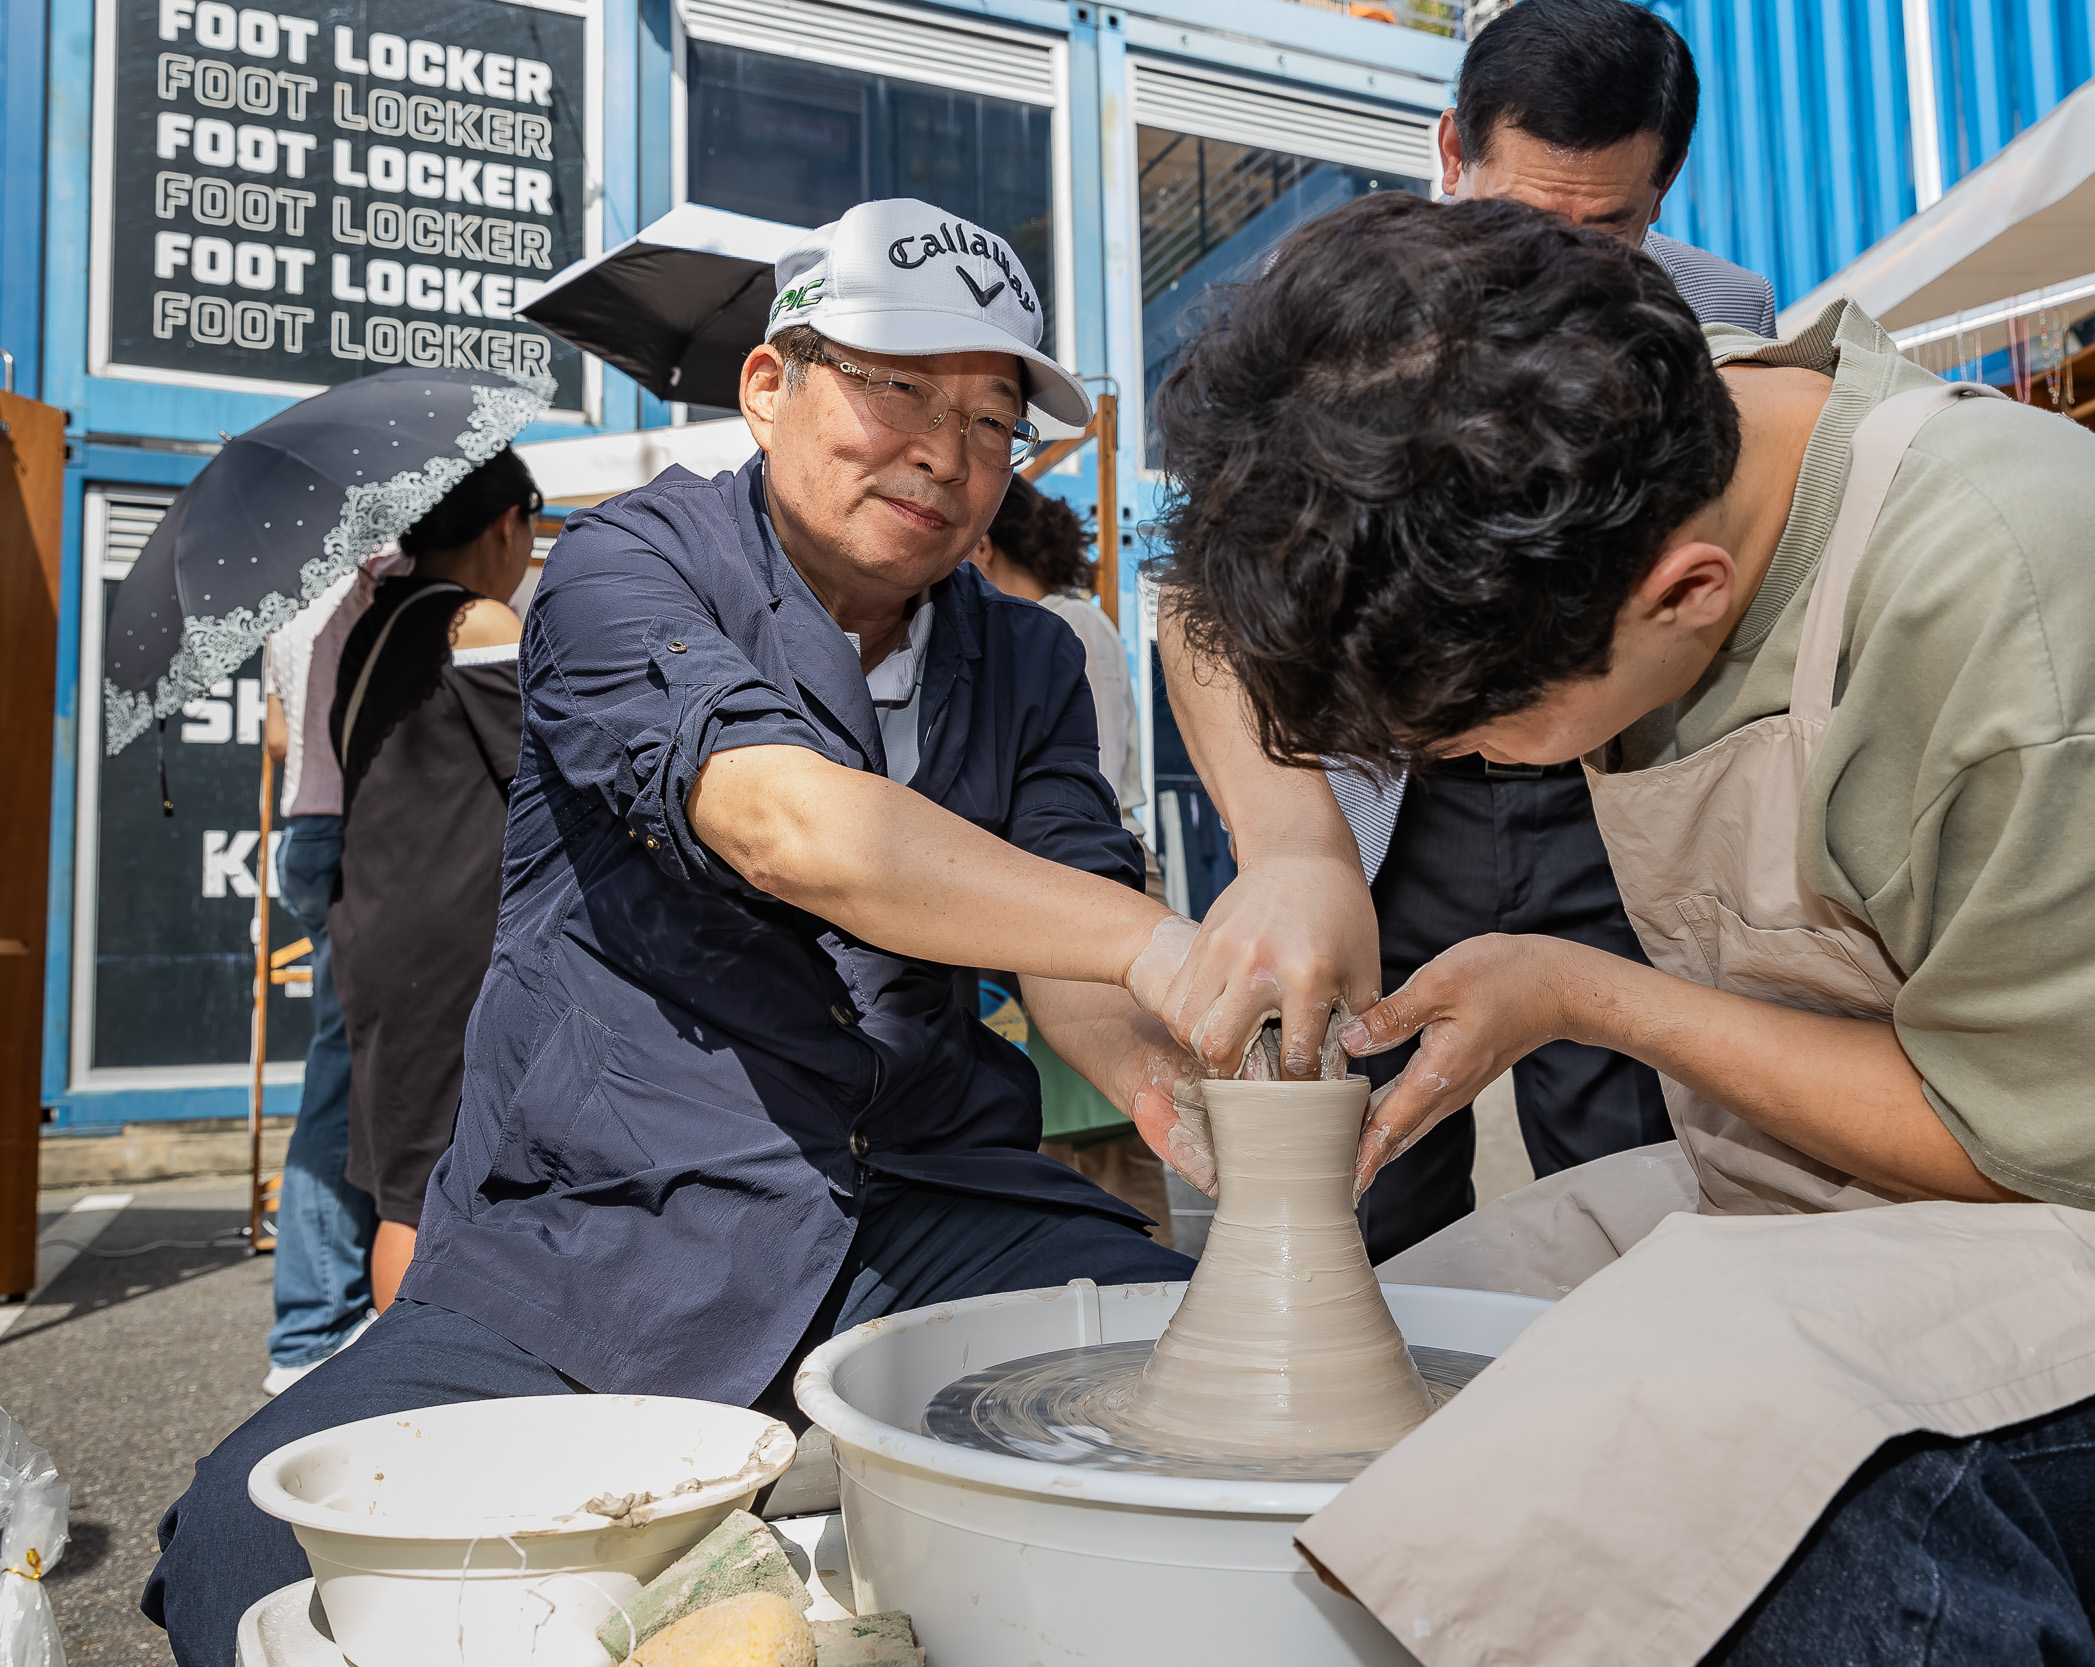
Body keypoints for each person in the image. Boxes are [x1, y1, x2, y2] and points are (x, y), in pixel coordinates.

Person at [1145, 193, 2095, 1659]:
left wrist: (1585, 993)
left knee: (1719, 1475)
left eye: (1481, 738)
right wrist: (1297, 847)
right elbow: (1190, 601)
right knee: (1408, 1338)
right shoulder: (1622, 408)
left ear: (1686, 597)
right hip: (1858, 1200)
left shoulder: (2035, 606)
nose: (1473, 772)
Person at [144, 198, 1262, 1664]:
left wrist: (1177, 1090)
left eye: (993, 421)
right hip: (610, 1222)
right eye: (896, 387)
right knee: (256, 1542)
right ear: (769, 384)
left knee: (1268, 1410)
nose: (945, 450)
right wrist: (1163, 941)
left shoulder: (1035, 657)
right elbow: (787, 824)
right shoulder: (624, 573)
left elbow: (1070, 962)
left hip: (921, 1200)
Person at [1187, 0, 1781, 1262]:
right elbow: (1208, 609)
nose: (1557, 271)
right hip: (1402, 806)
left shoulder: (1732, 329)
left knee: (1632, 1167)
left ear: (1660, 190)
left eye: (1605, 230)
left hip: (1607, 796)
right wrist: (1295, 848)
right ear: (1451, 151)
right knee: (1359, 1169)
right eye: (1518, 221)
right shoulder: (1335, 312)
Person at [326, 449, 537, 1315]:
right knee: (425, 1190)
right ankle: (404, 1397)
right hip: (448, 941)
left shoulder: (379, 621)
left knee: (405, 1180)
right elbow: (562, 765)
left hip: (380, 925)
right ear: (505, 525)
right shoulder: (478, 623)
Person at [969, 476, 1169, 1240]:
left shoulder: (1061, 625)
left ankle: (1151, 1288)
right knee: (1055, 1128)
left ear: (983, 542)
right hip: (1045, 882)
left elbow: (1078, 791)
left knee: (1119, 1128)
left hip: (1088, 875)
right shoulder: (1050, 621)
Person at [255, 553, 405, 1394]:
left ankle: (319, 1315)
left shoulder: (287, 603)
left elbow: (282, 737)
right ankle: (312, 1324)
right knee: (351, 1074)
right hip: (358, 827)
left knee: (344, 1064)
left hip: (305, 832)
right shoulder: (375, 586)